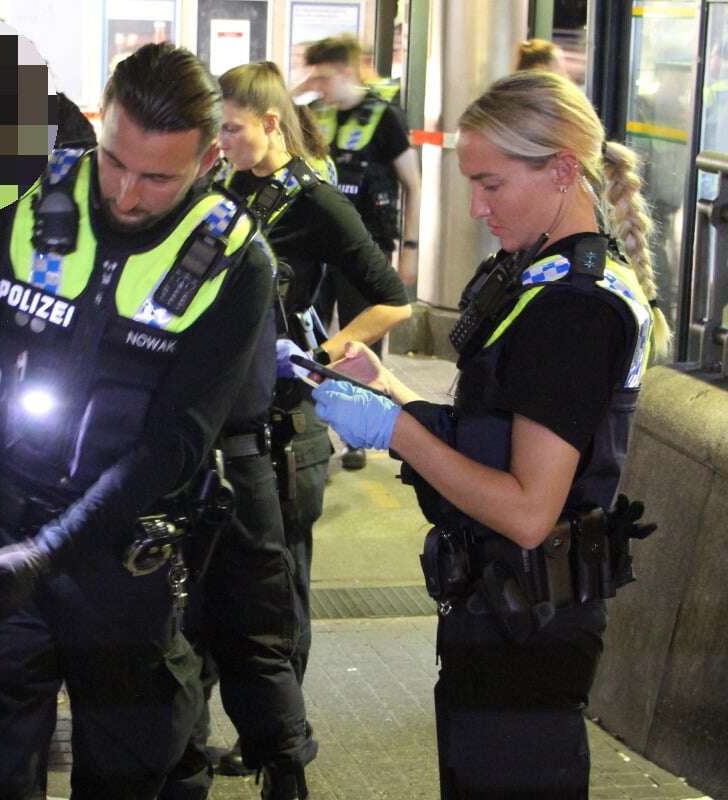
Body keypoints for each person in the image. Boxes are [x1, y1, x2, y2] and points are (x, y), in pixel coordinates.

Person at [310, 70, 669, 798]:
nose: (476, 206)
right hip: (507, 611)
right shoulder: (541, 276)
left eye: (492, 184)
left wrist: (393, 433)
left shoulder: (572, 308)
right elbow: (491, 437)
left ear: (563, 169)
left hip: (530, 619)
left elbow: (528, 511)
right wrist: (390, 390)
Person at [0, 42, 274, 799]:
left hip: (124, 562)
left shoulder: (235, 263)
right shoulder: (15, 204)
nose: (126, 195)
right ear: (101, 123)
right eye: (116, 161)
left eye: (159, 177)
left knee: (126, 772)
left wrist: (50, 552)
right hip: (0, 530)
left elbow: (174, 445)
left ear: (209, 158)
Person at [207, 61, 409, 781]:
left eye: (231, 128)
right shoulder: (222, 190)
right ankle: (254, 730)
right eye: (216, 128)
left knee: (280, 590)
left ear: (269, 122)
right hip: (226, 422)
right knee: (220, 590)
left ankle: (283, 742)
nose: (221, 141)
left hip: (288, 429)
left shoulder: (317, 201)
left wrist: (320, 353)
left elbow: (392, 299)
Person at [301, 33, 422, 471]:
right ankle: (314, 427)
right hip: (320, 251)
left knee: (360, 341)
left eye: (324, 76)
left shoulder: (383, 118)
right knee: (312, 336)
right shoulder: (316, 116)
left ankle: (360, 431)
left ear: (347, 71)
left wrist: (411, 249)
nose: (317, 85)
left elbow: (413, 182)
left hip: (366, 251)